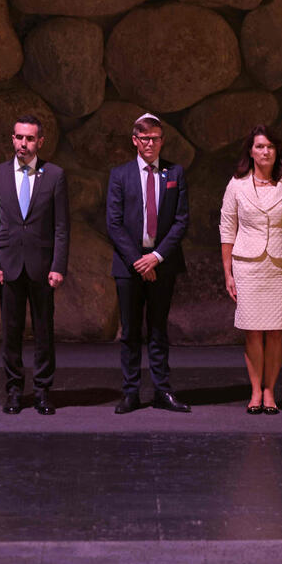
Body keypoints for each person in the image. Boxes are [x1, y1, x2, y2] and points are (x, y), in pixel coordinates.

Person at [219, 126, 282, 415]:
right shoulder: (237, 185)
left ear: (277, 150)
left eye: (270, 146)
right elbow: (227, 230)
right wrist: (228, 273)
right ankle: (255, 390)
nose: (265, 151)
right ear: (251, 151)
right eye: (259, 146)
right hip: (247, 266)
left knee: (275, 332)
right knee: (251, 332)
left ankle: (270, 391)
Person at [0, 115, 69, 415]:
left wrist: (58, 266)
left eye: (30, 138)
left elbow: (61, 227)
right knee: (11, 331)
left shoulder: (55, 175)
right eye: (19, 137)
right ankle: (14, 390)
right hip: (8, 267)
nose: (23, 143)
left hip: (42, 267)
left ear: (40, 142)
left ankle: (43, 390)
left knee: (44, 331)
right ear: (12, 139)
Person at [106, 113, 190, 414]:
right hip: (129, 266)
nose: (150, 143)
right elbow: (113, 224)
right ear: (135, 141)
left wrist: (155, 257)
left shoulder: (175, 173)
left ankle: (161, 391)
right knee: (130, 332)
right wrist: (139, 261)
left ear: (162, 140)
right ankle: (130, 392)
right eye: (144, 139)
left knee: (158, 329)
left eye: (155, 138)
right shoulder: (120, 175)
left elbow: (181, 222)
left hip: (163, 263)